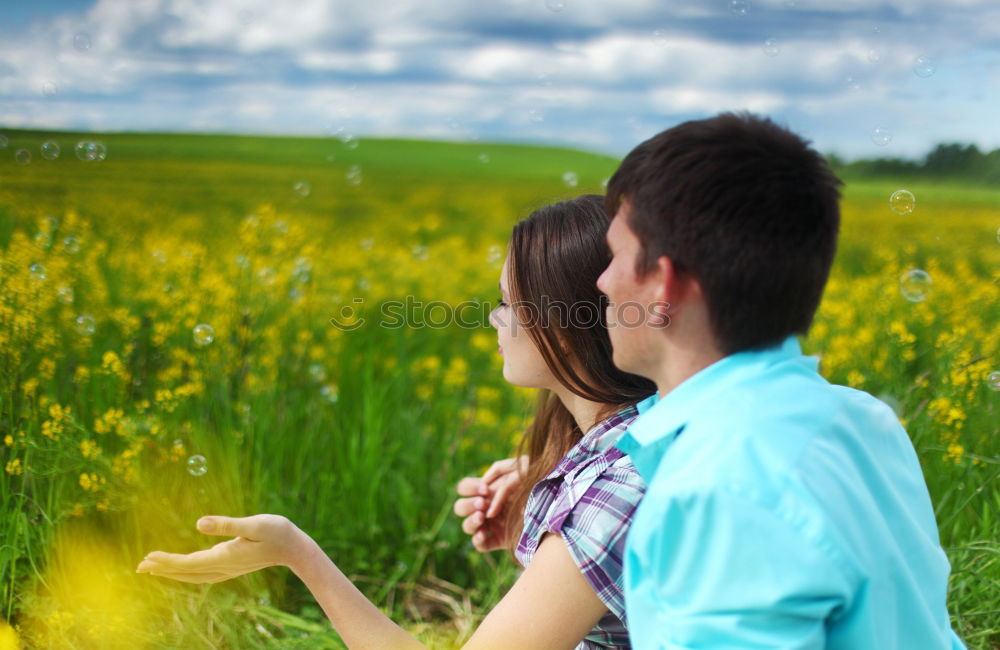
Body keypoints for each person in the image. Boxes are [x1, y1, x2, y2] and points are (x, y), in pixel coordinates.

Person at [136, 195, 657, 650]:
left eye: (506, 302)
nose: (496, 319)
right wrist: (549, 482)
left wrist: (297, 553)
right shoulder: (657, 427)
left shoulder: (610, 495)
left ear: (564, 323)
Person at [592, 112, 966, 649]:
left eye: (614, 256)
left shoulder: (721, 487)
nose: (602, 282)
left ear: (664, 286)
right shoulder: (860, 417)